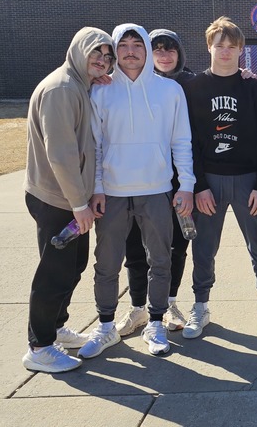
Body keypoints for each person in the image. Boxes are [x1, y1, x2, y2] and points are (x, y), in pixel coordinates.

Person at [83, 23, 196, 358]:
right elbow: (95, 146)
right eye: (123, 45)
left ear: (146, 49)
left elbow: (181, 141)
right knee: (106, 263)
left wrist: (186, 185)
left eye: (137, 45)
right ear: (114, 50)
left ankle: (156, 322)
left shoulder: (169, 91)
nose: (131, 51)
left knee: (160, 259)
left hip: (157, 190)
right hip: (113, 192)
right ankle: (105, 326)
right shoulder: (100, 91)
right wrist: (97, 188)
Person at [183, 17, 257, 339]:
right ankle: (200, 305)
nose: (225, 51)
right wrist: (199, 185)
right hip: (210, 181)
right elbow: (189, 140)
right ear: (209, 47)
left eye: (232, 46)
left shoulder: (252, 88)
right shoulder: (194, 88)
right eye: (219, 45)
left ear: (241, 50)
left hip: (247, 180)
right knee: (203, 247)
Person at [22, 27, 113, 373]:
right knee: (54, 273)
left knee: (73, 267)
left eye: (107, 56)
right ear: (78, 50)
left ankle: (56, 328)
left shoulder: (77, 84)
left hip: (70, 199)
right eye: (96, 53)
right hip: (57, 199)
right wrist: (79, 204)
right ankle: (40, 347)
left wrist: (94, 81)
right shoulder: (61, 89)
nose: (102, 60)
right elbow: (60, 154)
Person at [116, 29, 196, 337]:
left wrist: (189, 183)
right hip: (140, 181)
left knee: (176, 246)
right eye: (157, 49)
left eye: (170, 49)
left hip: (180, 181)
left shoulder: (191, 85)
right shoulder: (128, 85)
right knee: (135, 247)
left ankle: (169, 302)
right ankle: (138, 306)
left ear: (180, 54)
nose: (164, 55)